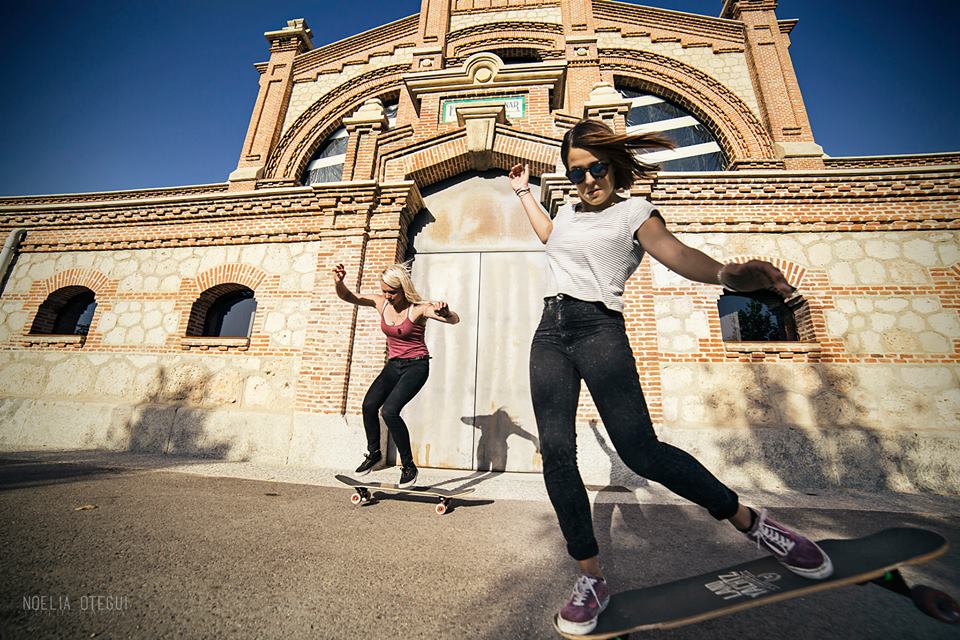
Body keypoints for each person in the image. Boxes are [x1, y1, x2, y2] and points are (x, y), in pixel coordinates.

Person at [507, 119, 833, 635]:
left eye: (597, 168)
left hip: (598, 329)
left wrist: (727, 275)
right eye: (577, 173)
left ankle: (752, 522)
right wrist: (524, 193)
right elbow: (550, 237)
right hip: (549, 332)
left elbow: (677, 253)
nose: (588, 180)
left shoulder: (636, 212)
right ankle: (591, 578)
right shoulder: (566, 212)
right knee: (556, 451)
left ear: (614, 165)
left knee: (640, 451)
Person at [332, 262, 460, 488]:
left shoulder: (418, 308)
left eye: (392, 292)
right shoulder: (380, 303)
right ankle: (374, 454)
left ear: (403, 288)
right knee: (368, 405)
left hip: (416, 366)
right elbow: (349, 297)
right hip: (393, 365)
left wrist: (445, 311)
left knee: (389, 411)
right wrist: (339, 282)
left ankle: (409, 467)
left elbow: (453, 319)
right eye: (384, 291)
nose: (387, 296)